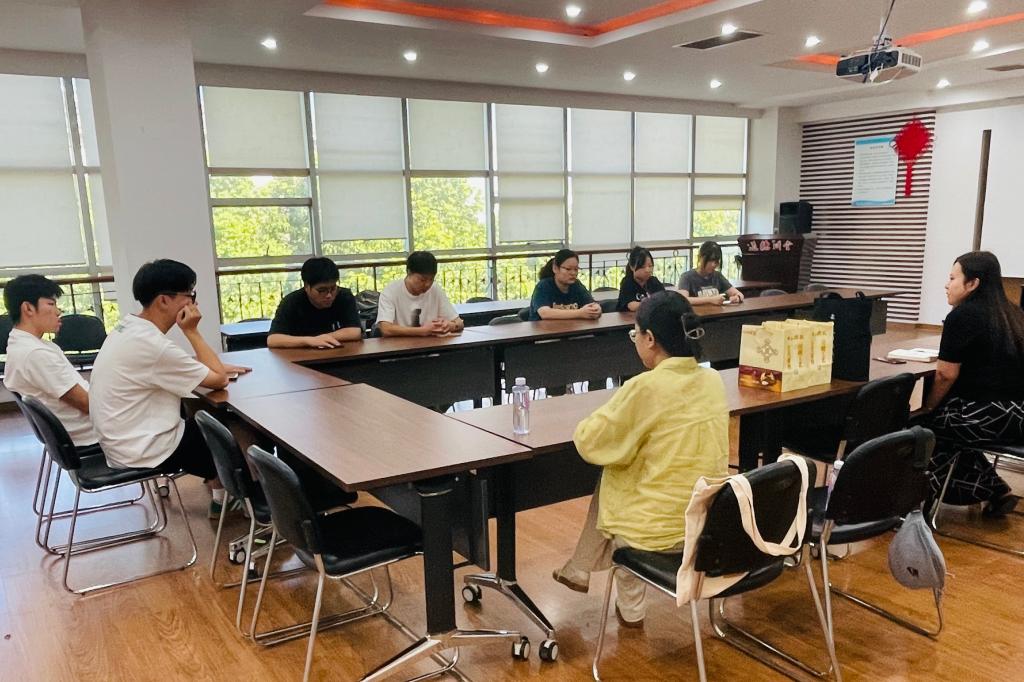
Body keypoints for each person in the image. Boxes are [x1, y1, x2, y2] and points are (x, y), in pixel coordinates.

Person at [551, 292, 729, 627]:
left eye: (635, 334)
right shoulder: (712, 380)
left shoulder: (645, 387)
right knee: (626, 472)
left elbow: (591, 442)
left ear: (649, 339)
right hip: (706, 522)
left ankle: (630, 608)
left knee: (616, 472)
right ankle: (579, 567)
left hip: (656, 531)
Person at [88, 260, 249, 515]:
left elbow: (175, 367)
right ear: (164, 300)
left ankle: (221, 494)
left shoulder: (127, 328)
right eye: (190, 296)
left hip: (122, 440)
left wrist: (207, 368)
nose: (194, 303)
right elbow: (219, 380)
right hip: (145, 448)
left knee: (204, 419)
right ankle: (247, 501)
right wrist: (192, 332)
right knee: (234, 431)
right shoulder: (153, 345)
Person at [920, 251, 1024, 517]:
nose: (947, 285)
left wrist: (928, 407)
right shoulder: (1014, 314)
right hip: (1017, 416)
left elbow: (945, 375)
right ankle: (995, 489)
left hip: (985, 415)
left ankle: (915, 503)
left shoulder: (962, 316)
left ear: (973, 283)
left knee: (921, 426)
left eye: (952, 278)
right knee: (951, 431)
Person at [2, 275, 99, 448]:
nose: (58, 311)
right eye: (51, 304)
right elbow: (88, 405)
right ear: (28, 308)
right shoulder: (35, 354)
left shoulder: (23, 345)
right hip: (93, 435)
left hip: (82, 431)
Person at [267, 257, 362, 349]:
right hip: (301, 355)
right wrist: (309, 341)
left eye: (333, 288)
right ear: (307, 287)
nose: (329, 295)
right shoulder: (291, 302)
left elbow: (355, 331)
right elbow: (273, 339)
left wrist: (323, 338)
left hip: (339, 353)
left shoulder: (344, 296)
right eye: (322, 290)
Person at [376, 251, 464, 337]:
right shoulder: (391, 291)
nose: (427, 284)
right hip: (399, 345)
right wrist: (423, 331)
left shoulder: (435, 289)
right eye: (422, 280)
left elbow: (459, 323)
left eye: (431, 279)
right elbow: (385, 329)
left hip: (431, 344)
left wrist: (450, 325)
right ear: (409, 272)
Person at [529, 248, 602, 321]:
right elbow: (545, 313)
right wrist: (579, 313)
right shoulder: (543, 286)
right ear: (555, 268)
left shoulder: (576, 285)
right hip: (543, 328)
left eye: (576, 269)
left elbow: (592, 303)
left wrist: (596, 309)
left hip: (570, 327)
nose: (573, 273)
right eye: (568, 269)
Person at [677, 241, 744, 305]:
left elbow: (739, 294)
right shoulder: (687, 277)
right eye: (710, 260)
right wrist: (710, 300)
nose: (713, 265)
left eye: (716, 261)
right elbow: (683, 300)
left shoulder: (718, 276)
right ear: (700, 258)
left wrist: (737, 297)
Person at [616, 246, 665, 312]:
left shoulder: (654, 281)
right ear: (632, 267)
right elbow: (632, 306)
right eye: (642, 267)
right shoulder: (627, 283)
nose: (647, 270)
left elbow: (664, 298)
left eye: (650, 266)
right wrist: (652, 303)